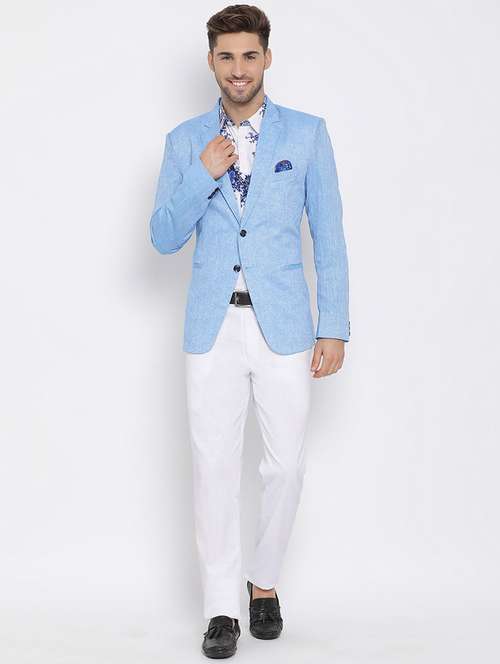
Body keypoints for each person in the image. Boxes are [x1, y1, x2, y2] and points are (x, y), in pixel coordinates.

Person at [149, 4, 350, 658]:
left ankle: (263, 584)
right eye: (227, 56)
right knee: (212, 467)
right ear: (211, 61)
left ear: (267, 58)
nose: (238, 69)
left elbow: (329, 237)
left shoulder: (307, 135)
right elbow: (163, 236)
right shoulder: (184, 141)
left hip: (284, 324)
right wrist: (202, 174)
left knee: (285, 465)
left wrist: (334, 326)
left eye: (249, 55)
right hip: (212, 327)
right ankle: (219, 610)